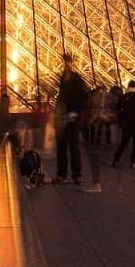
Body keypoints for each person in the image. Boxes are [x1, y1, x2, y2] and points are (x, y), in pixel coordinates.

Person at [52, 53, 88, 184]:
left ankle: (76, 175)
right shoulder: (63, 78)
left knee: (74, 147)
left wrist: (76, 112)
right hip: (63, 117)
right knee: (61, 148)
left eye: (67, 62)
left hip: (72, 117)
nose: (66, 64)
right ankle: (62, 174)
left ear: (71, 63)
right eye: (64, 62)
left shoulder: (76, 79)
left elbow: (83, 97)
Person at [112, 81, 135, 168]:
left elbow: (117, 109)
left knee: (123, 143)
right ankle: (133, 162)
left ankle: (115, 160)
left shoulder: (123, 97)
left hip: (126, 124)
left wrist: (121, 120)